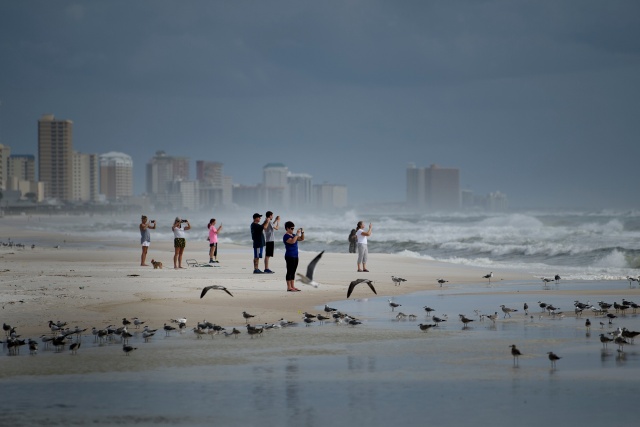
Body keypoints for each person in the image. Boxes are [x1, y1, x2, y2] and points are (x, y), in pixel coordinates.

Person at [283, 221, 304, 292]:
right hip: (289, 256)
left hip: (295, 255)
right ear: (287, 228)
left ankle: (292, 286)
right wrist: (297, 235)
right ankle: (289, 287)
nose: (292, 230)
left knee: (293, 271)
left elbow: (301, 239)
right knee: (289, 271)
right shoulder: (286, 236)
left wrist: (302, 233)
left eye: (293, 228)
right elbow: (292, 241)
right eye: (291, 228)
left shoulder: (293, 235)